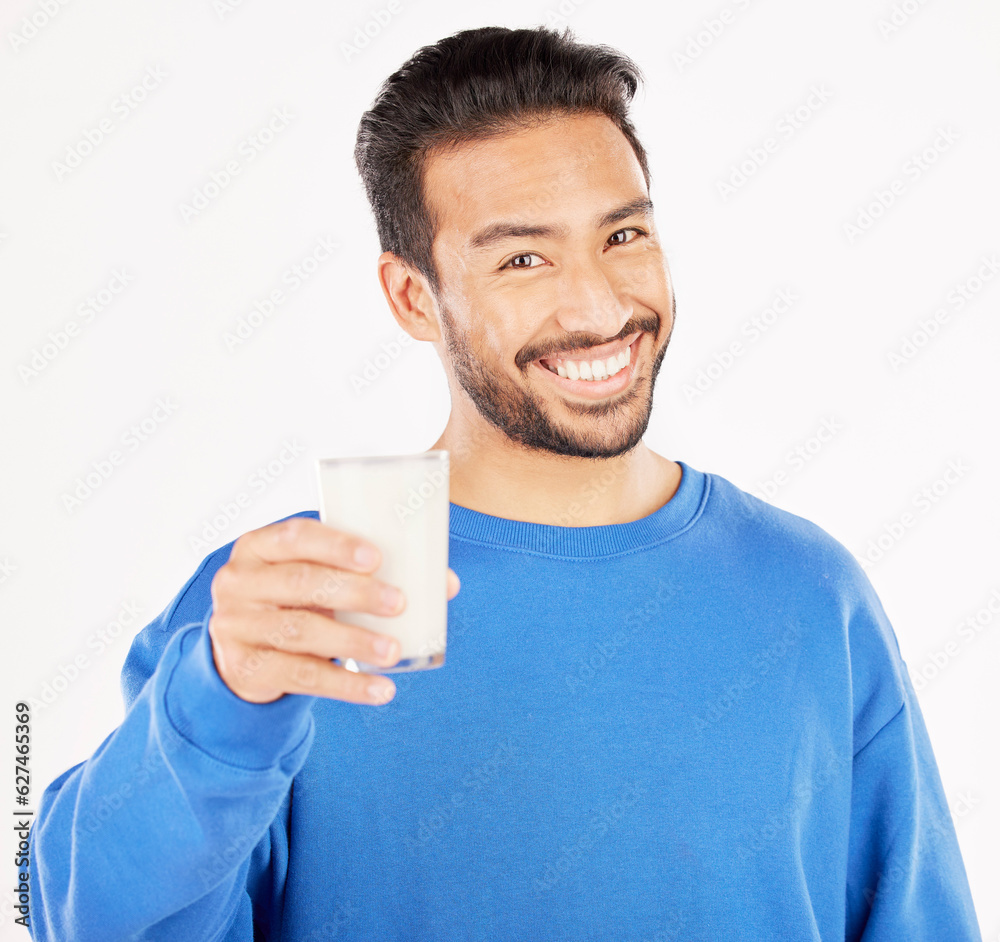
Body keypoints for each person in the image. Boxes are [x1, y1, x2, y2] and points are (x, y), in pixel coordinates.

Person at [27, 24, 982, 942]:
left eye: (623, 236)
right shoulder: (293, 610)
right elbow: (87, 918)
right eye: (523, 257)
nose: (600, 306)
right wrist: (221, 704)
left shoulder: (812, 593)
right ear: (413, 296)